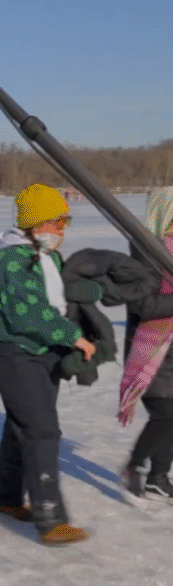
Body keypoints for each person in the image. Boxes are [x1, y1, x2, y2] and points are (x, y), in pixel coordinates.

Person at [0, 183, 92, 544]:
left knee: (22, 425)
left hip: (44, 354)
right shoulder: (11, 260)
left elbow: (58, 301)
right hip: (14, 353)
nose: (62, 231)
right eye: (57, 222)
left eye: (65, 222)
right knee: (42, 429)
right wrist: (73, 336)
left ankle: (6, 496)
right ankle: (50, 517)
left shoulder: (49, 257)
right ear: (36, 223)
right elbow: (28, 315)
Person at [121, 186, 173, 503]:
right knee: (165, 413)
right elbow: (146, 306)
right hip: (151, 349)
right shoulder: (146, 255)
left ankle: (158, 477)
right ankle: (134, 466)